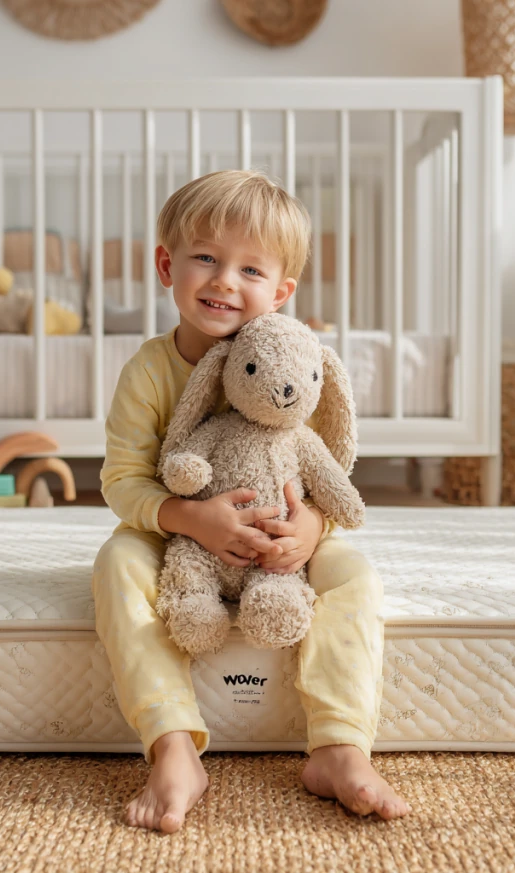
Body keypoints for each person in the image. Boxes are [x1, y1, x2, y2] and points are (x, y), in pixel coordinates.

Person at [93, 169, 409, 833]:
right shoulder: (149, 370)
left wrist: (311, 528)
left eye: (249, 270)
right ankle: (173, 745)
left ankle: (338, 744)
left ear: (280, 292)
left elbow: (328, 463)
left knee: (355, 575)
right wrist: (190, 519)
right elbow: (122, 479)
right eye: (204, 257)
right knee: (117, 560)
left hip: (281, 533)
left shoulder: (293, 363)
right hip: (181, 537)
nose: (223, 281)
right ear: (165, 264)